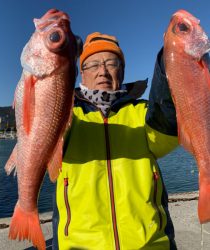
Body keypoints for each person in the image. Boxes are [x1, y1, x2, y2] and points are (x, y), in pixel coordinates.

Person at [52, 32, 178, 250]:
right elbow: (45, 140)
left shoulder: (143, 112)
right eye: (93, 65)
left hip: (150, 245)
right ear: (81, 74)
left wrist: (169, 59)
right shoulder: (67, 114)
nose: (103, 71)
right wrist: (61, 57)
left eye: (111, 63)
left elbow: (166, 137)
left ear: (122, 71)